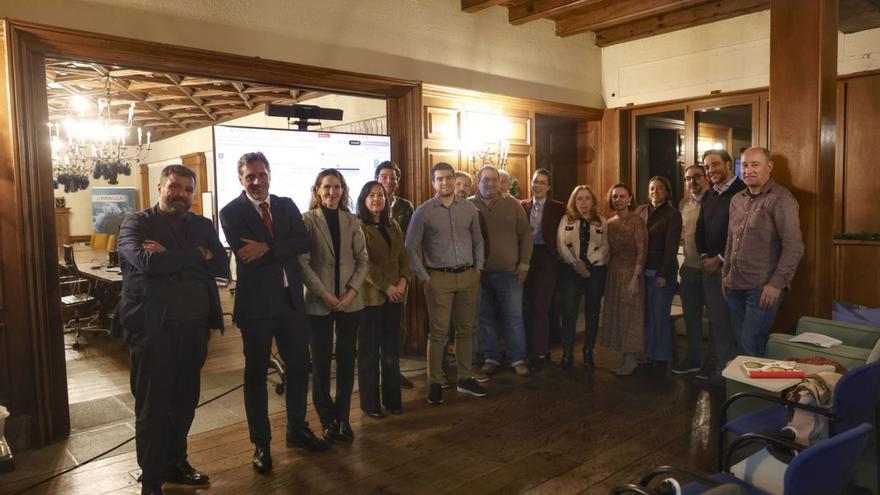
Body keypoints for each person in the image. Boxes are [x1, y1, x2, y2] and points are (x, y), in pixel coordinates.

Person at [117, 165, 228, 495]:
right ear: (160, 187)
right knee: (153, 406)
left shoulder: (203, 224)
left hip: (194, 329)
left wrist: (180, 256)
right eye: (174, 187)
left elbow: (222, 265)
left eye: (187, 190)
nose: (181, 194)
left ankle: (177, 463)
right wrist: (198, 254)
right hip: (152, 330)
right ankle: (151, 479)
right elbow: (150, 263)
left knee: (184, 402)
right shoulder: (136, 222)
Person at [219, 152, 328, 475]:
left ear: (270, 175)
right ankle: (261, 444)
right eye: (250, 176)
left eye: (261, 175)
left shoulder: (286, 204)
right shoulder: (231, 212)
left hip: (291, 302)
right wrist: (281, 245)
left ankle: (297, 430)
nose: (256, 181)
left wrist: (267, 246)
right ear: (241, 179)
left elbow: (303, 240)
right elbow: (245, 253)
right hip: (255, 307)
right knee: (255, 375)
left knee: (298, 369)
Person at [406, 162, 487, 405]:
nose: (445, 183)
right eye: (440, 179)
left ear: (454, 180)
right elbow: (409, 249)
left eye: (449, 178)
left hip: (468, 276)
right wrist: (424, 277)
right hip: (437, 277)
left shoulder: (469, 209)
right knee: (439, 333)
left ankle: (465, 378)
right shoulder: (423, 211)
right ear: (433, 183)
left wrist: (478, 269)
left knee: (466, 330)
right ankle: (435, 382)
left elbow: (478, 242)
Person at [298, 169, 369, 442]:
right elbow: (302, 262)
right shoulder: (306, 220)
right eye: (326, 187)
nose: (332, 192)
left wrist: (351, 293)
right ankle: (327, 419)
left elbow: (363, 259)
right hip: (319, 302)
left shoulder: (352, 220)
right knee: (321, 366)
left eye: (337, 187)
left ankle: (343, 418)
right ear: (317, 190)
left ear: (343, 190)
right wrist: (324, 294)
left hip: (351, 302)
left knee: (346, 364)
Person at [723, 147, 804, 357]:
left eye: (755, 165)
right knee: (741, 343)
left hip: (762, 288)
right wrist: (725, 276)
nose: (748, 170)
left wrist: (777, 284)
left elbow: (794, 246)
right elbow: (731, 240)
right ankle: (743, 388)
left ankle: (755, 391)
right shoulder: (737, 200)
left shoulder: (781, 199)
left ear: (769, 167)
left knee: (751, 344)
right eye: (745, 165)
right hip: (734, 285)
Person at [470, 165, 533, 377]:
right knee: (484, 317)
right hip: (479, 275)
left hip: (510, 272)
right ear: (477, 181)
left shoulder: (513, 204)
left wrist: (524, 264)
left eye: (493, 180)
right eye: (485, 179)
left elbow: (526, 236)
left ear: (499, 182)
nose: (490, 183)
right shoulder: (468, 206)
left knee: (514, 317)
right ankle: (491, 357)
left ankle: (517, 358)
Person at [355, 181, 410, 418]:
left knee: (391, 352)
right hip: (370, 300)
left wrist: (403, 282)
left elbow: (404, 257)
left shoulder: (393, 224)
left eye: (380, 195)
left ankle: (393, 400)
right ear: (363, 200)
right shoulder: (358, 227)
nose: (376, 199)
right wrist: (387, 286)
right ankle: (370, 404)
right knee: (369, 354)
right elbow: (364, 265)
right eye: (371, 195)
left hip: (395, 297)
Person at [695, 149, 746, 379]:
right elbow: (700, 229)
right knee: (718, 323)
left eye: (715, 164)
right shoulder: (708, 195)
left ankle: (741, 376)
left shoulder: (744, 192)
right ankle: (724, 372)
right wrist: (705, 255)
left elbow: (742, 234)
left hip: (736, 271)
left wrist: (721, 259)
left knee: (739, 326)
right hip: (711, 269)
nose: (711, 170)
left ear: (727, 164)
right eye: (707, 167)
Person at [556, 185, 609, 369]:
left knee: (592, 313)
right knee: (569, 313)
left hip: (595, 271)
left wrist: (587, 263)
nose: (584, 202)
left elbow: (605, 247)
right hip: (572, 271)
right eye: (580, 199)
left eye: (587, 198)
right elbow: (561, 245)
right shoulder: (566, 219)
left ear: (592, 201)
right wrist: (576, 264)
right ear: (574, 201)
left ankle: (588, 353)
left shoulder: (601, 221)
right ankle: (567, 354)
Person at [375, 160, 416, 390]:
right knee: (375, 327)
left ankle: (393, 371)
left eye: (393, 177)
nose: (389, 181)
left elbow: (407, 244)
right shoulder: (367, 203)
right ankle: (376, 373)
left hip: (399, 275)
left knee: (397, 327)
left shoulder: (405, 206)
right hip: (375, 279)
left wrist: (404, 277)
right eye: (384, 177)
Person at [635, 176, 682, 367]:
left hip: (662, 271)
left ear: (667, 191)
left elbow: (671, 248)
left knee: (659, 316)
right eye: (652, 188)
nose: (656, 191)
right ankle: (649, 353)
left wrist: (663, 274)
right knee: (647, 315)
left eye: (660, 188)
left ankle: (661, 357)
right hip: (644, 270)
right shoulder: (643, 212)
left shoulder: (672, 214)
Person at [600, 183, 647, 376]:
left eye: (622, 196)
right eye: (615, 196)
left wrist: (635, 277)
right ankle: (625, 359)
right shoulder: (609, 223)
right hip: (614, 273)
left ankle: (631, 360)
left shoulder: (637, 222)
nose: (618, 199)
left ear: (630, 199)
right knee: (618, 315)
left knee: (631, 316)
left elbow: (642, 251)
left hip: (631, 273)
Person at [520, 169, 565, 369]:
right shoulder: (521, 205)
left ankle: (538, 354)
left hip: (547, 257)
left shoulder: (558, 208)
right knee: (526, 306)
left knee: (540, 306)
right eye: (535, 182)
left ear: (548, 186)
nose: (537, 185)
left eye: (542, 182)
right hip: (524, 258)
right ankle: (532, 350)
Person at [673, 165, 710, 375]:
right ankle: (693, 359)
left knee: (716, 320)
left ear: (706, 178)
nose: (692, 181)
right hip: (689, 269)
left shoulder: (715, 200)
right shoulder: (683, 203)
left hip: (711, 270)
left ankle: (713, 364)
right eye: (688, 178)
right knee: (691, 319)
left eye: (697, 176)